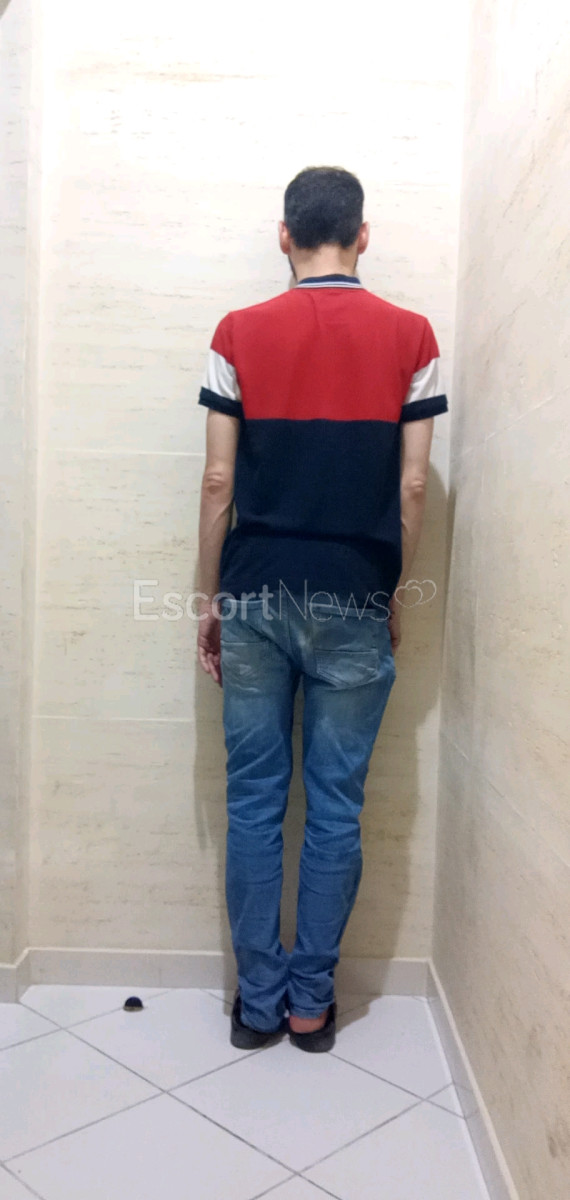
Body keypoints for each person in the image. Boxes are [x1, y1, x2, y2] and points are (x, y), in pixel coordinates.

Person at [196, 166, 448, 1052]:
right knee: (337, 806)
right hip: (354, 593)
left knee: (254, 802)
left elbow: (218, 479)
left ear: (284, 235)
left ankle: (257, 1004)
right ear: (363, 235)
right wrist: (391, 594)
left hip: (256, 590)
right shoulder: (412, 336)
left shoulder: (237, 332)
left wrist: (209, 600)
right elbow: (412, 487)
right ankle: (311, 1005)